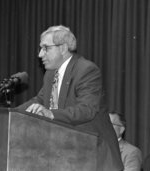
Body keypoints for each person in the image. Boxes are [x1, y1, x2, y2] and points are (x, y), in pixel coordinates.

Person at [16, 25, 123, 171]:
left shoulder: (86, 70)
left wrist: (50, 113)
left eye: (46, 48)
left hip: (95, 157)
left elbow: (86, 110)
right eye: (40, 48)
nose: (40, 54)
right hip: (67, 156)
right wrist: (11, 113)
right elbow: (39, 100)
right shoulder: (50, 74)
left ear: (63, 48)